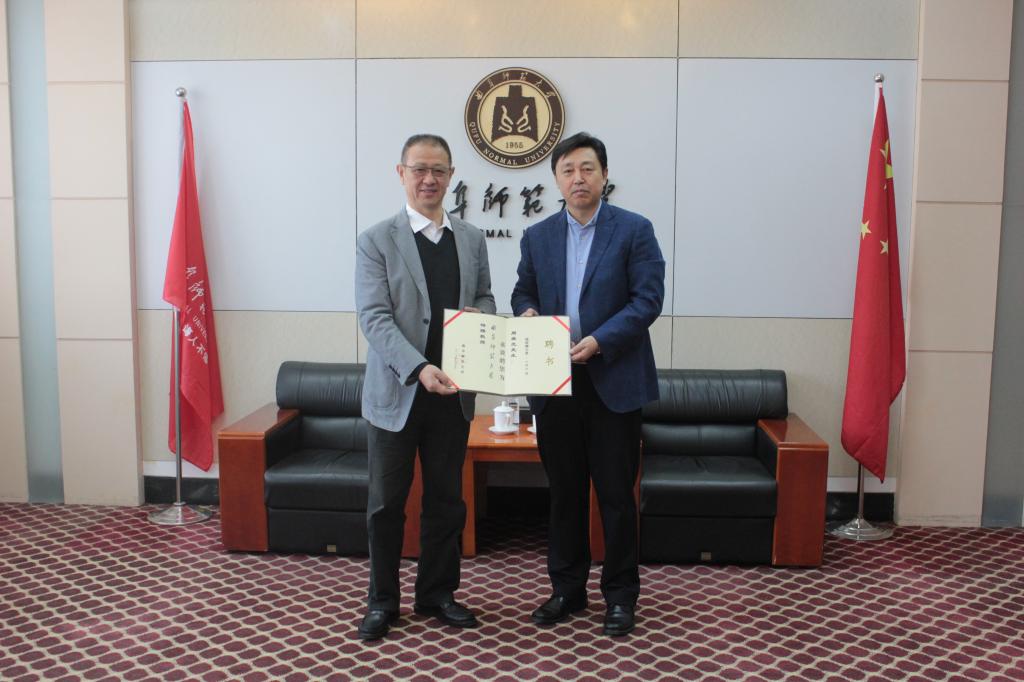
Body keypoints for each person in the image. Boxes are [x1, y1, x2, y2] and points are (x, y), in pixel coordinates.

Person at [511, 132, 665, 637]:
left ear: (604, 175)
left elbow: (647, 301)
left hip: (614, 381)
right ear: (556, 180)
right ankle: (567, 589)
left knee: (616, 496)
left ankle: (620, 596)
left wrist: (600, 341)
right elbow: (523, 291)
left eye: (587, 169)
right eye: (568, 170)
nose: (578, 178)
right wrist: (527, 312)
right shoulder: (537, 236)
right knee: (565, 493)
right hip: (554, 383)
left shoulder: (635, 230)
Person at [355, 133, 496, 641]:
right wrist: (418, 368)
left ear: (451, 175)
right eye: (419, 169)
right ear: (401, 173)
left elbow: (486, 296)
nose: (429, 179)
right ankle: (382, 601)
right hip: (398, 393)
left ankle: (437, 593)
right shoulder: (376, 239)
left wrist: (481, 318)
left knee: (446, 501)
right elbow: (374, 318)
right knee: (386, 505)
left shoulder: (472, 238)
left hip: (453, 395)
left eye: (439, 170)